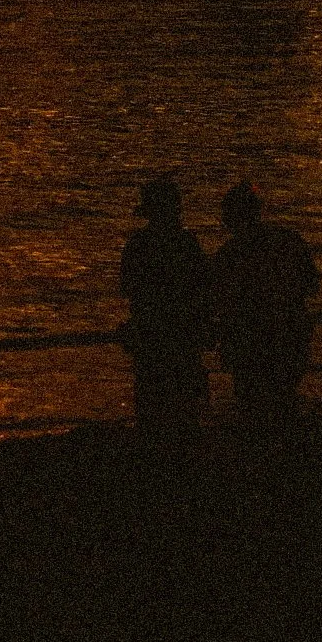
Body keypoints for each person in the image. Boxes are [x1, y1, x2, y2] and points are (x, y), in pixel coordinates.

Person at [209, 183, 319, 436]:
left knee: (251, 405)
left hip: (248, 341)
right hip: (289, 334)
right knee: (284, 400)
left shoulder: (229, 255)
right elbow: (311, 283)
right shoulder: (287, 240)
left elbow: (214, 299)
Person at [118, 179, 211, 461]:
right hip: (182, 334)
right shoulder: (187, 243)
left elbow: (127, 286)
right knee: (184, 404)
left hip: (151, 334)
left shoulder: (138, 245)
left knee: (152, 400)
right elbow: (204, 286)